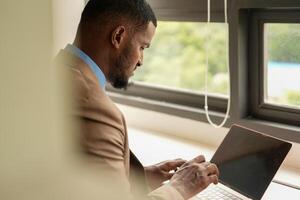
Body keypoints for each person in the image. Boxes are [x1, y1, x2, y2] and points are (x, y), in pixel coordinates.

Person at [56, 0, 219, 199]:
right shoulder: (95, 105)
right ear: (118, 36)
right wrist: (179, 188)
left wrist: (138, 177)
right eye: (142, 47)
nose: (141, 60)